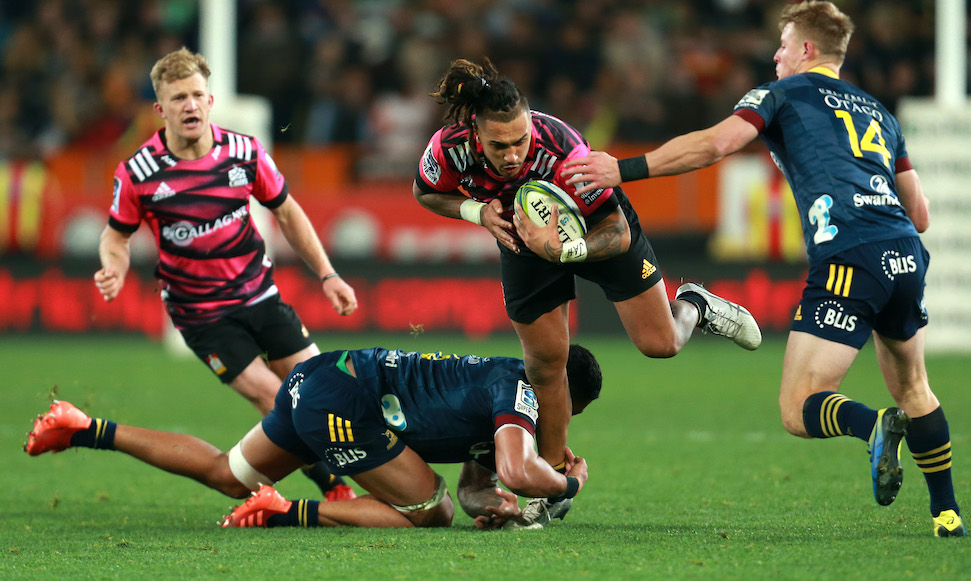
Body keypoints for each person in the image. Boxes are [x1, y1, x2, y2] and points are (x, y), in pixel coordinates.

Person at [564, 0, 965, 538]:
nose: (776, 56)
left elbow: (714, 145)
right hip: (905, 254)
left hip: (850, 254)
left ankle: (872, 427)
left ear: (806, 49)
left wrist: (623, 169)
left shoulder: (782, 94)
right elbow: (921, 215)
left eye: (783, 45)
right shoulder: (879, 113)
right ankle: (947, 515)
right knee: (914, 387)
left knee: (799, 406)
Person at [413, 58, 762, 471]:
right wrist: (477, 212)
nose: (512, 155)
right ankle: (553, 477)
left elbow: (618, 232)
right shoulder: (448, 149)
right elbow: (424, 192)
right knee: (545, 366)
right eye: (498, 146)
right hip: (524, 242)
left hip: (594, 230)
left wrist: (564, 250)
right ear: (476, 135)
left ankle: (694, 304)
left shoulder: (564, 152)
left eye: (519, 141)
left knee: (661, 344)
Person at [92, 47, 359, 500]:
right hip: (202, 315)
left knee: (321, 390)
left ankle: (367, 477)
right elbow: (116, 236)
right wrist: (113, 268)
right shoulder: (139, 172)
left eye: (197, 95)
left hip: (260, 296)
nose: (190, 105)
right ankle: (332, 484)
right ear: (160, 110)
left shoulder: (244, 152)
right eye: (178, 98)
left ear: (210, 101)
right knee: (274, 398)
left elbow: (287, 212)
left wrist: (328, 274)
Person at [24, 344, 601, 530]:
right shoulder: (521, 389)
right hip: (348, 402)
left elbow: (480, 487)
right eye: (570, 411)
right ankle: (283, 511)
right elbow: (521, 472)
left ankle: (83, 427)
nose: (563, 422)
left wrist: (499, 508)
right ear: (560, 392)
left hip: (322, 377)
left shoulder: (504, 393)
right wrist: (568, 483)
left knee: (229, 474)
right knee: (431, 510)